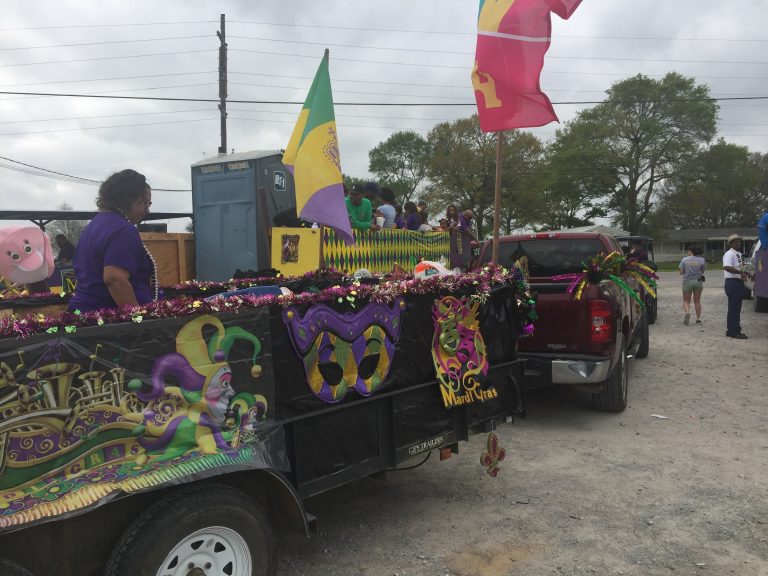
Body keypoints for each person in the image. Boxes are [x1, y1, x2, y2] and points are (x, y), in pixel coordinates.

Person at [68, 169, 157, 312]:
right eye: (146, 203)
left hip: (84, 315)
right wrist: (139, 319)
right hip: (110, 323)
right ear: (131, 199)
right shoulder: (124, 230)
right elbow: (114, 278)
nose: (147, 211)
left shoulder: (94, 224)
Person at [722, 233, 748, 339]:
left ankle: (731, 329)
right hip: (732, 283)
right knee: (734, 308)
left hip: (737, 282)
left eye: (739, 241)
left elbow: (740, 267)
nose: (739, 243)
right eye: (736, 241)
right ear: (731, 243)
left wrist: (747, 273)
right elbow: (727, 267)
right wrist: (740, 273)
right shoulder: (729, 254)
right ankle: (734, 331)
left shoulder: (738, 254)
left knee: (735, 308)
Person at [679, 245, 705, 325]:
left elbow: (681, 272)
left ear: (691, 251)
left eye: (688, 251)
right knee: (697, 301)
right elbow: (703, 271)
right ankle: (698, 319)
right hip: (698, 282)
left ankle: (687, 312)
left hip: (687, 281)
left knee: (686, 300)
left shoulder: (684, 259)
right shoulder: (702, 260)